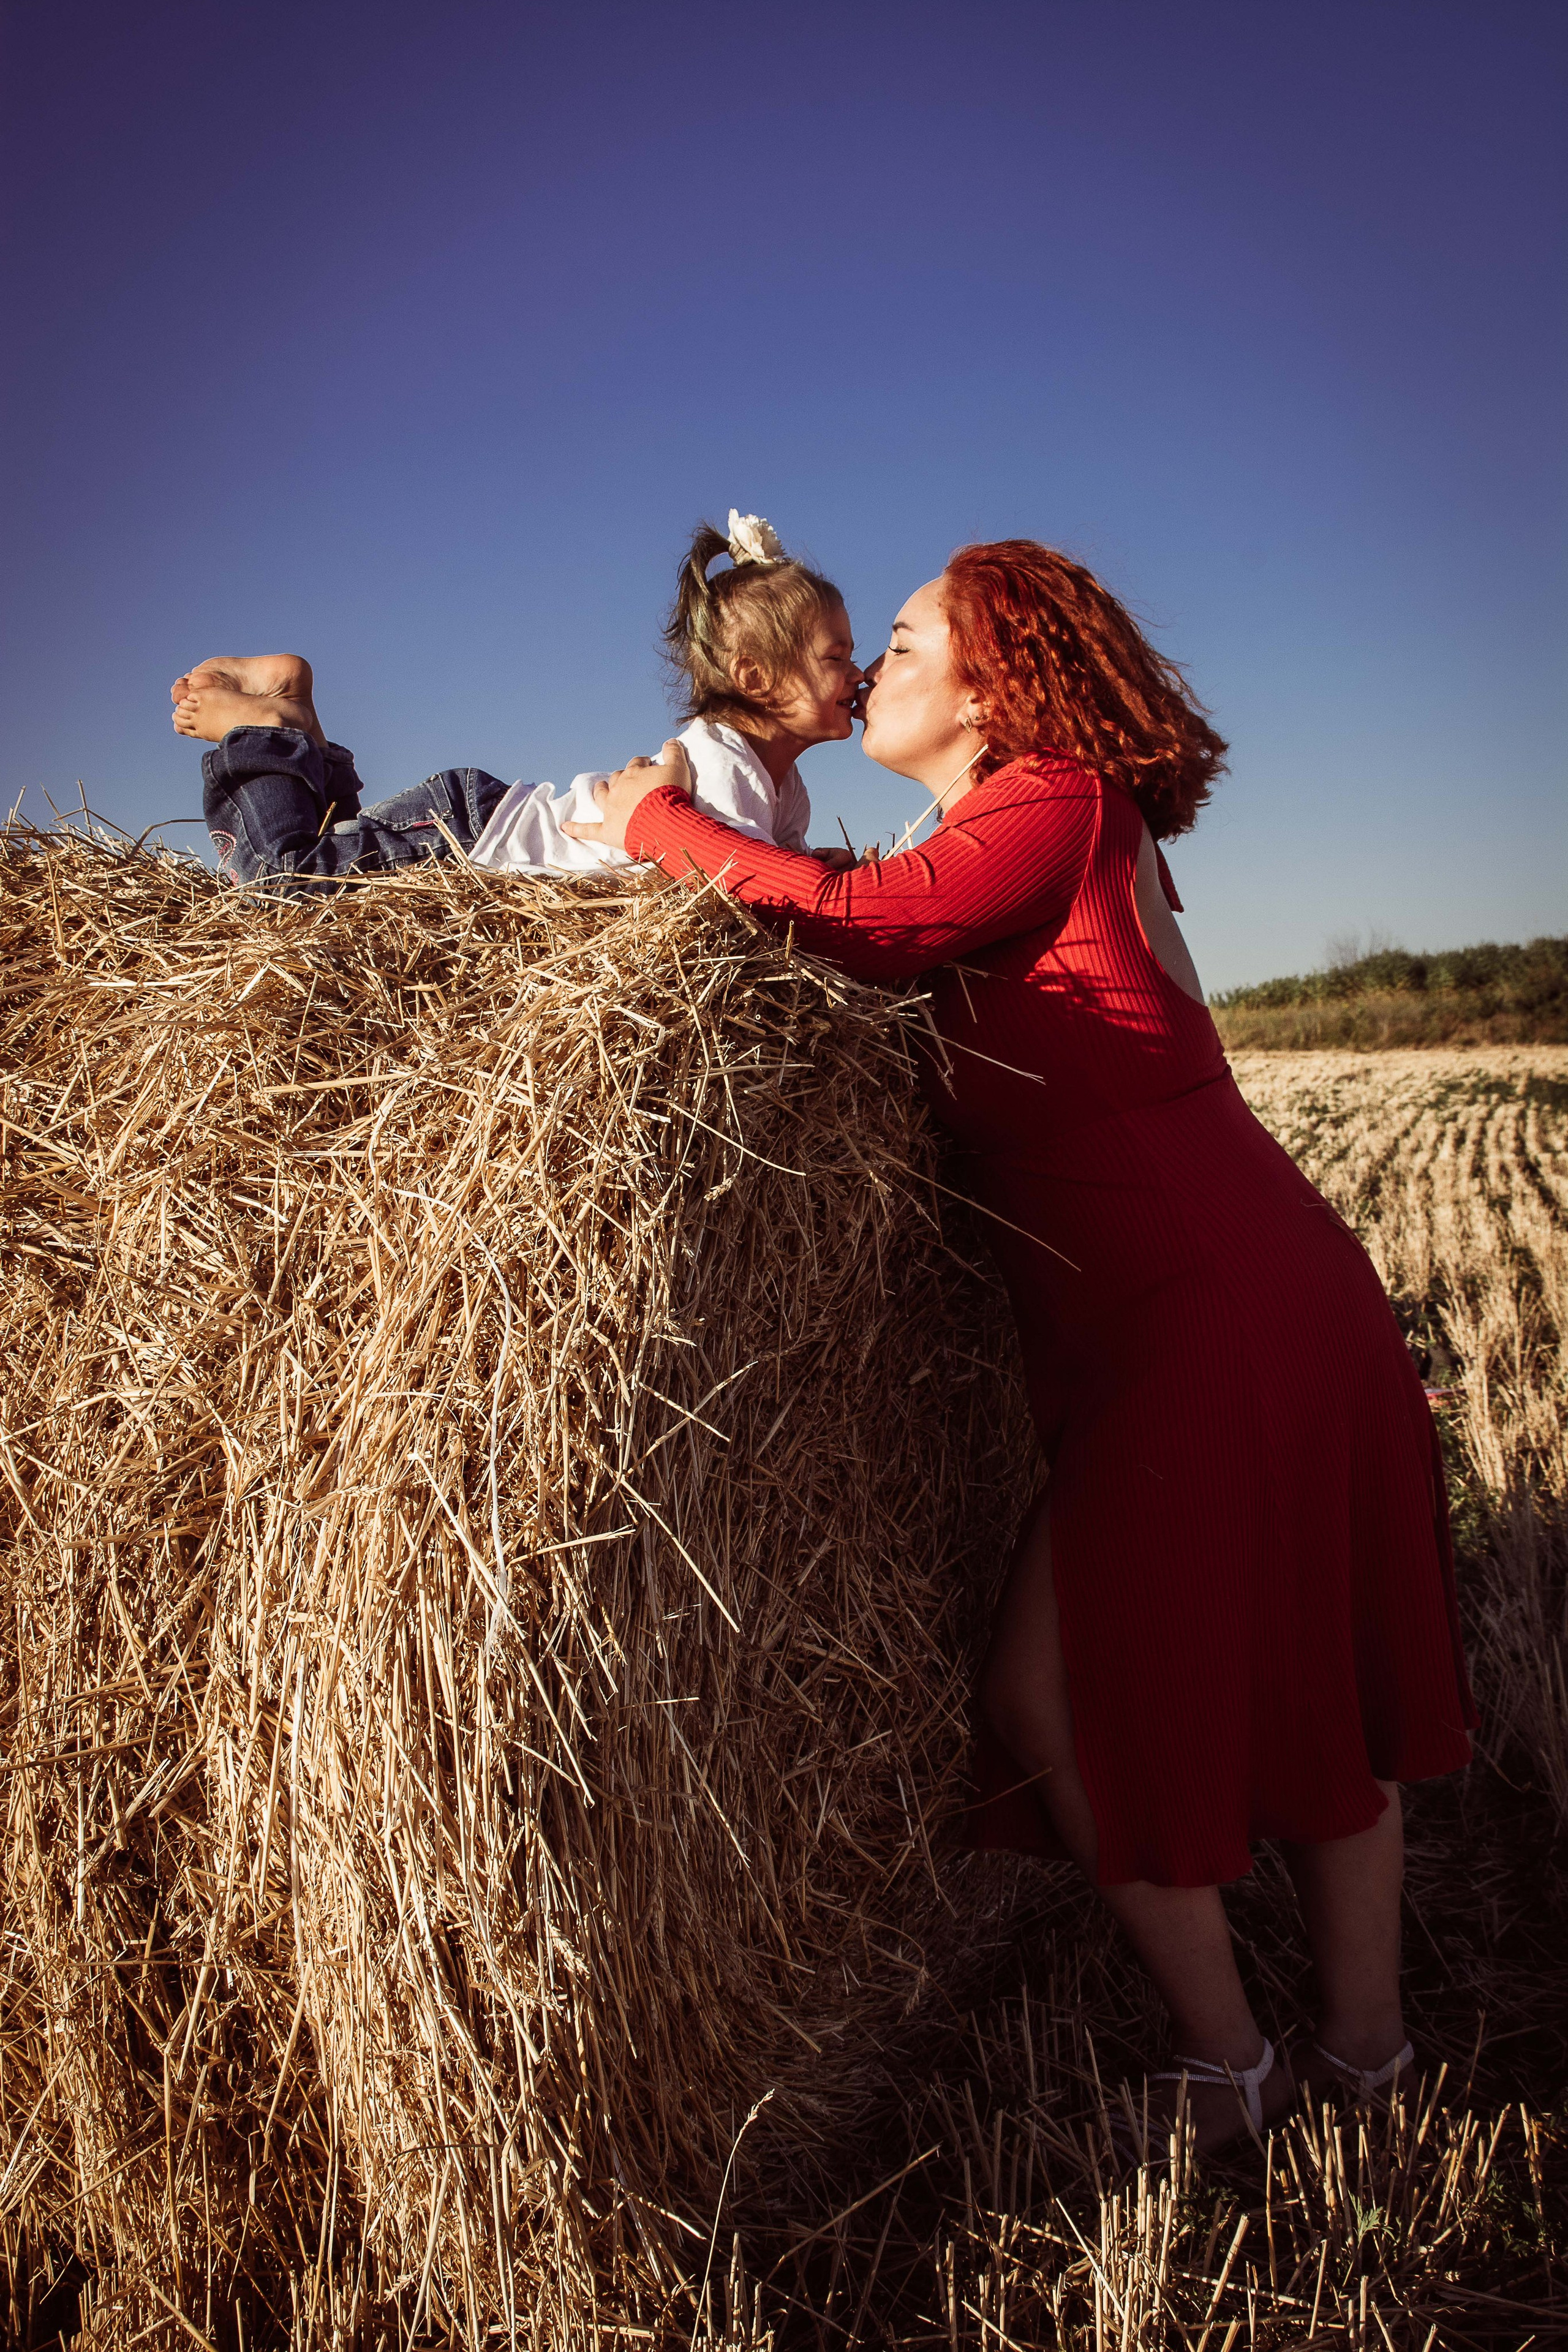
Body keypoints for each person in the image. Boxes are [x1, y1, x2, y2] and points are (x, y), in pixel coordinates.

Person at [562, 539, 1478, 2156]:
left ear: (990, 687)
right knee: (1109, 1684)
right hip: (1181, 1317)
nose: (874, 668)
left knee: (1141, 1688)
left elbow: (862, 924)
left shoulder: (1054, 799)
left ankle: (1305, 2059)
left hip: (1219, 1306)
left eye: (905, 641)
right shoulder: (999, 826)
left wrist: (656, 825)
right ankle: (1305, 2056)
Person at [170, 514, 862, 889]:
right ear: (755, 678)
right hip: (471, 837)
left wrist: (810, 863)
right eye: (836, 657)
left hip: (477, 819)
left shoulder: (782, 784)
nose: (858, 674)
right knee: (286, 886)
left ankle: (303, 733)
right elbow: (739, 889)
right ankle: (261, 729)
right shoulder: (724, 759)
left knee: (340, 865)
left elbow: (770, 868)